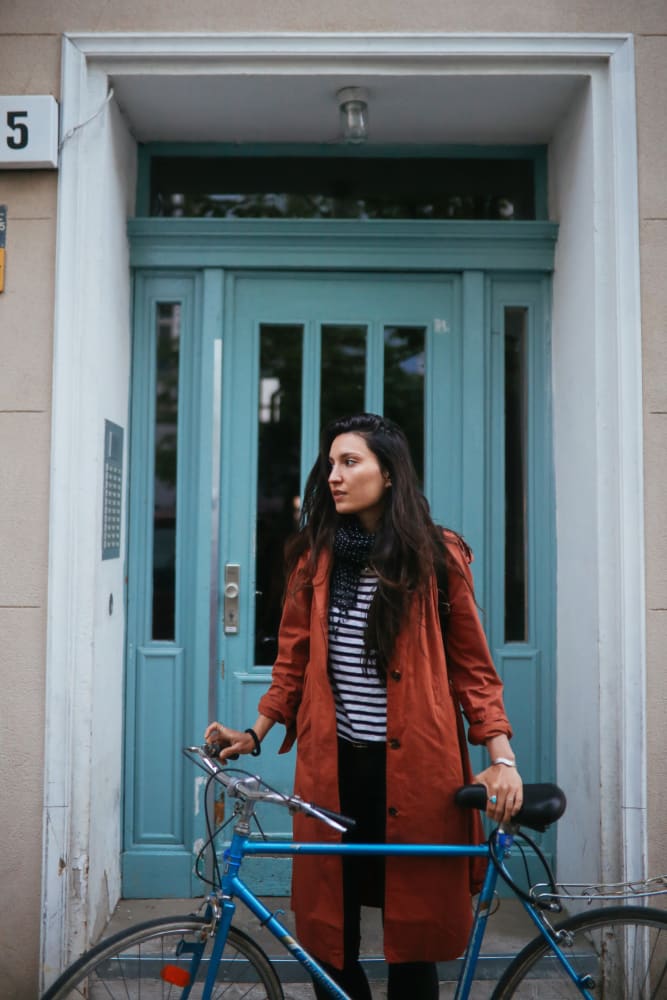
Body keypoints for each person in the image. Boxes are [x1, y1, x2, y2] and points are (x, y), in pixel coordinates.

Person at [205, 412, 523, 1000]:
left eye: (350, 462)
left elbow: (473, 669)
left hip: (418, 775)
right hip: (335, 773)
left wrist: (501, 756)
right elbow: (293, 661)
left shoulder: (437, 557)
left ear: (390, 474)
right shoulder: (316, 559)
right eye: (331, 463)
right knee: (330, 934)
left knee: (414, 938)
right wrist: (254, 731)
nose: (334, 476)